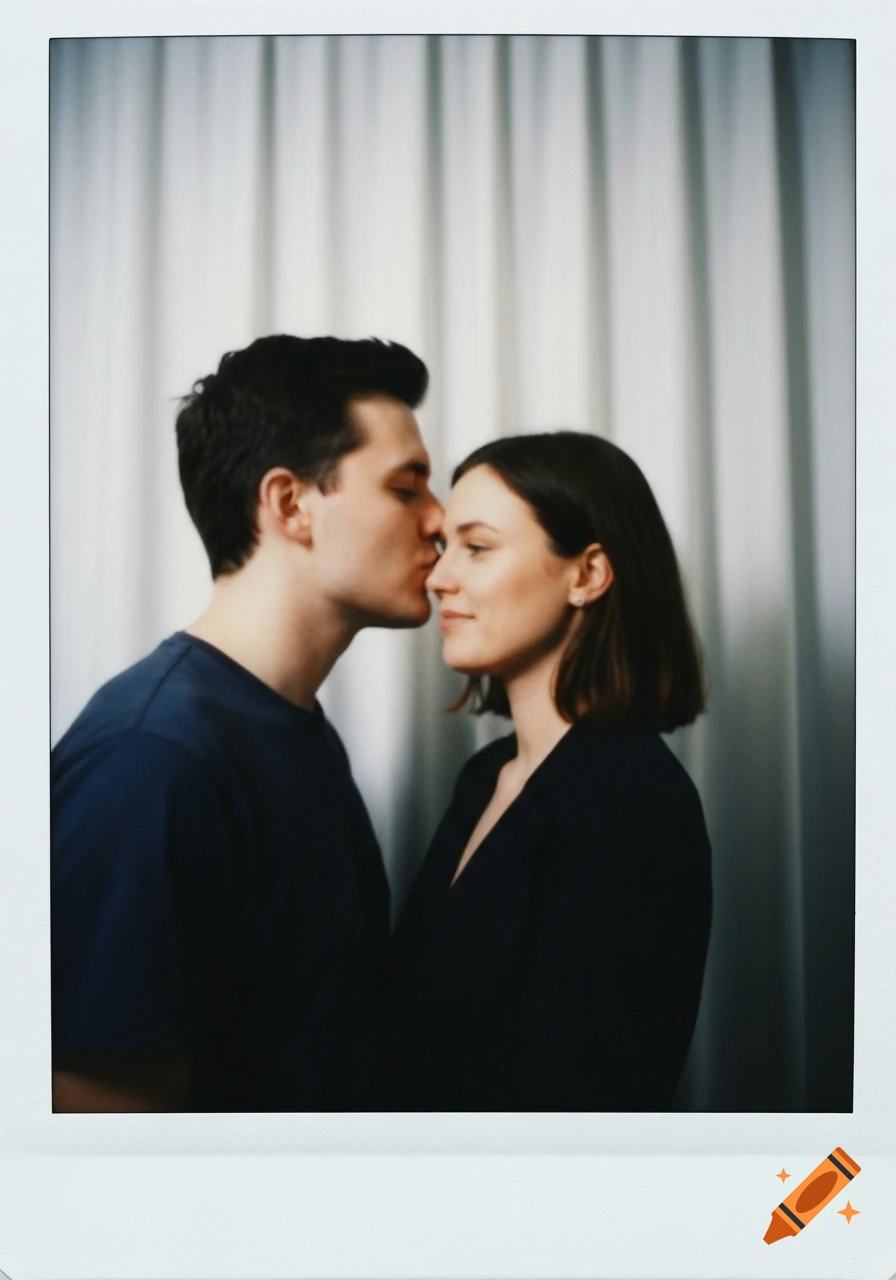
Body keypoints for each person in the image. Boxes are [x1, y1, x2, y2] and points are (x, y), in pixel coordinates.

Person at [51, 334, 442, 1112]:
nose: (441, 522)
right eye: (407, 489)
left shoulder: (289, 729)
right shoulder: (152, 764)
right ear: (290, 504)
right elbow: (104, 1133)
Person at [390, 431, 712, 1111]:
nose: (440, 576)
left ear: (588, 574)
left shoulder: (630, 801)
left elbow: (587, 1101)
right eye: (446, 547)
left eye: (477, 547)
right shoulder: (484, 776)